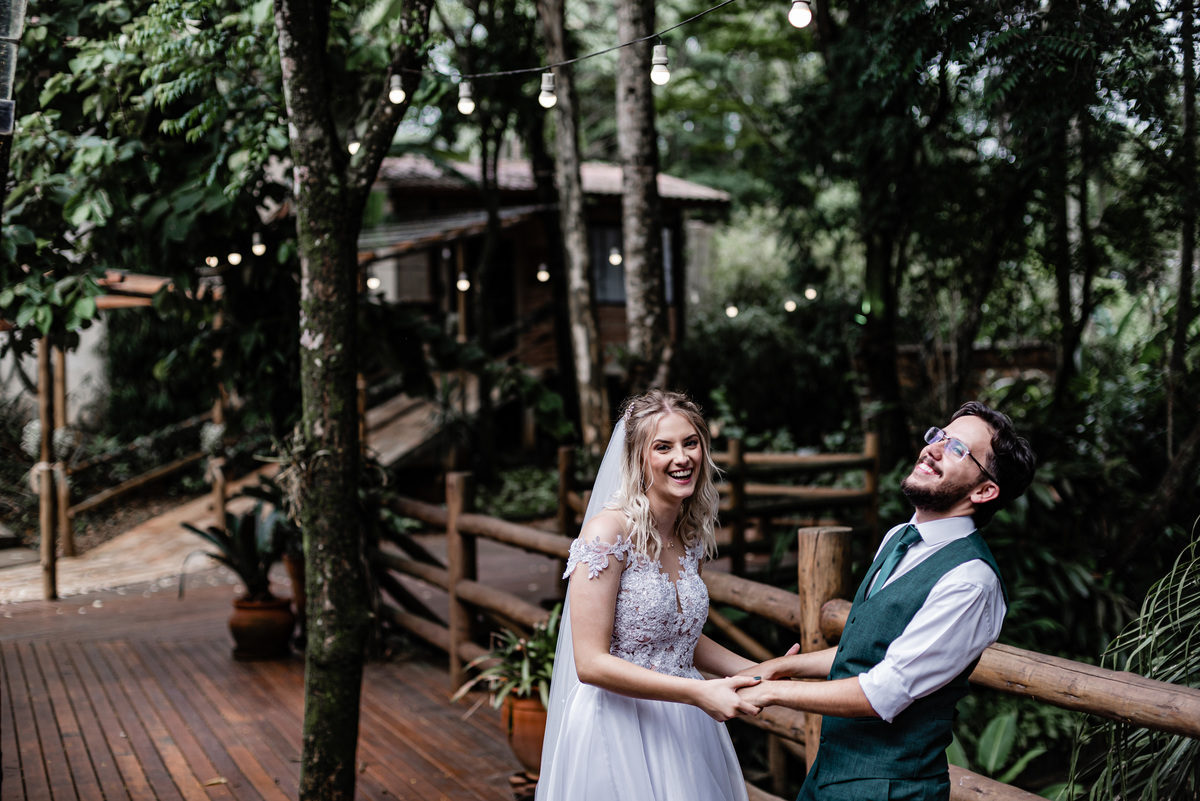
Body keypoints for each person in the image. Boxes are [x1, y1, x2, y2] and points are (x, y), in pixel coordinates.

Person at [737, 401, 1036, 801]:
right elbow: (865, 649)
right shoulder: (898, 536)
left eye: (957, 449)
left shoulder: (971, 583)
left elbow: (881, 692)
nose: (932, 448)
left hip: (892, 789)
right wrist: (783, 667)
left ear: (985, 491)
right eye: (939, 436)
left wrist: (770, 692)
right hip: (828, 776)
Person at [535, 390, 764, 801]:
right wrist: (698, 692)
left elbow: (677, 637)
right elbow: (589, 664)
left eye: (690, 443)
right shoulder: (608, 533)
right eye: (663, 447)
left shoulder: (686, 533)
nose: (682, 458)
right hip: (620, 727)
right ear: (638, 458)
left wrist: (759, 671)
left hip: (684, 724)